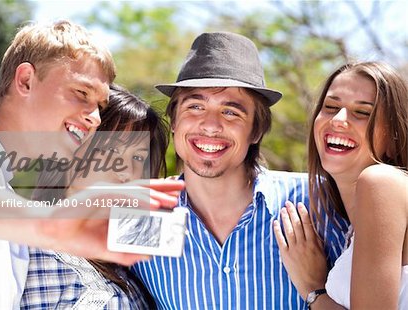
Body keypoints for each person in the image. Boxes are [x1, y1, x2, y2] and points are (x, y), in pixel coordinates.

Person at [0, 20, 183, 309]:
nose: (95, 118)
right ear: (26, 80)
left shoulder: (17, 241)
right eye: (81, 93)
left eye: (100, 106)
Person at [132, 31, 348, 309]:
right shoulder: (140, 214)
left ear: (256, 130)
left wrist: (315, 290)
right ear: (173, 121)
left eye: (231, 112)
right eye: (195, 107)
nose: (210, 126)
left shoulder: (318, 201)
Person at [273, 61, 408, 309]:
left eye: (363, 112)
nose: (338, 119)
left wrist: (313, 288)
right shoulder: (351, 225)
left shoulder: (382, 182)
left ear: (393, 137)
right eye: (331, 106)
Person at [20, 84, 167, 309]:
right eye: (109, 152)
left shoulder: (137, 255)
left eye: (138, 158)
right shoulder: (26, 252)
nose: (127, 172)